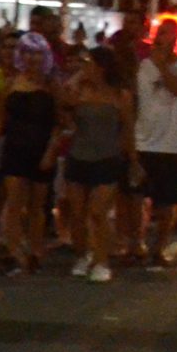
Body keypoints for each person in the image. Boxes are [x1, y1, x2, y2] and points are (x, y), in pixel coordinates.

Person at [59, 45, 134, 283]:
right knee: (77, 213)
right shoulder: (79, 91)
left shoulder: (120, 95)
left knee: (98, 212)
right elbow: (63, 103)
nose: (85, 67)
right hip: (79, 156)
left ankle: (102, 260)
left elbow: (127, 130)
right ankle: (83, 255)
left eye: (89, 63)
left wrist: (132, 160)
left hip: (107, 158)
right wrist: (78, 77)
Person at [131, 16, 177, 268]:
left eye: (169, 33)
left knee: (166, 203)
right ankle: (135, 245)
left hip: (173, 145)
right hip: (144, 141)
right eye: (160, 32)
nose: (162, 37)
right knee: (136, 198)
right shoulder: (143, 66)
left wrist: (161, 66)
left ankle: (158, 248)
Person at [0, 34, 61, 275]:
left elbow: (60, 123)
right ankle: (14, 251)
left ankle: (35, 250)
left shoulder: (52, 85)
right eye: (28, 53)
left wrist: (51, 152)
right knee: (14, 202)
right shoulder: (11, 84)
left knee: (37, 205)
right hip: (15, 148)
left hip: (41, 148)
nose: (32, 58)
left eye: (37, 53)